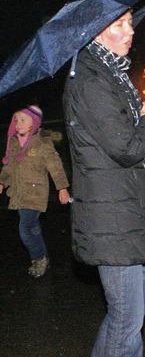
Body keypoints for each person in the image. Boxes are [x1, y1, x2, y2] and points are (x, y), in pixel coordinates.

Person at [63, 10, 145, 357]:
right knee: (127, 319)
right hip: (113, 217)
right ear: (95, 34)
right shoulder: (92, 81)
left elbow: (138, 138)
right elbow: (126, 147)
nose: (130, 31)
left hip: (124, 212)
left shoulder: (111, 75)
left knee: (126, 315)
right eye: (119, 25)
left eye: (130, 23)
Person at [0, 105, 70, 278]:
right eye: (16, 120)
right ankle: (42, 254)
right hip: (18, 192)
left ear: (34, 122)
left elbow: (55, 166)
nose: (18, 123)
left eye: (23, 119)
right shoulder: (15, 142)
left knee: (25, 228)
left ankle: (39, 258)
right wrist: (2, 181)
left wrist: (62, 188)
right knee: (32, 227)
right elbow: (10, 167)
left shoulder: (42, 142)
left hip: (35, 193)